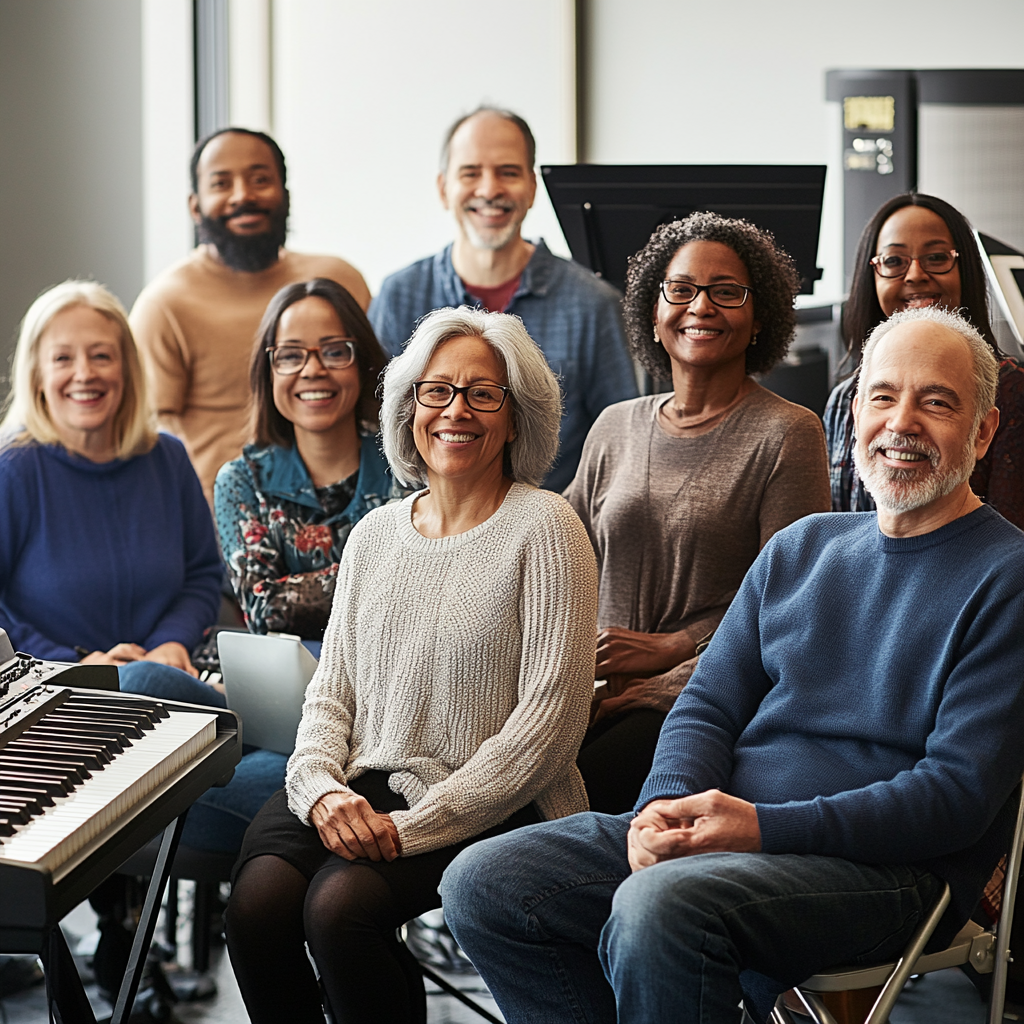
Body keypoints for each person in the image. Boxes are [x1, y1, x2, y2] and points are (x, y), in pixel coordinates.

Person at [440, 305, 1024, 1024]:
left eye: (936, 401)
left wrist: (757, 827)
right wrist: (665, 808)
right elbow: (706, 706)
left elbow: (956, 797)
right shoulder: (802, 549)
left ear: (984, 431)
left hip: (890, 876)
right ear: (854, 414)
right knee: (486, 880)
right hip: (730, 842)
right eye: (883, 395)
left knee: (658, 907)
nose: (901, 422)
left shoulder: (1008, 578)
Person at [225, 306, 599, 1024]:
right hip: (361, 782)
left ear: (515, 419)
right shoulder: (374, 535)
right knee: (258, 903)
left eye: (482, 393)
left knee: (339, 912)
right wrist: (318, 789)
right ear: (408, 408)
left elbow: (550, 728)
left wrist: (414, 827)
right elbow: (331, 692)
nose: (456, 411)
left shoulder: (547, 527)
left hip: (491, 797)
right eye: (437, 391)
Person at [570, 212, 831, 813]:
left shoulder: (788, 433)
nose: (701, 306)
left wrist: (675, 650)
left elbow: (793, 605)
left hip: (695, 698)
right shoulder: (615, 425)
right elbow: (558, 557)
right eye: (681, 289)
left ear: (759, 314)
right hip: (591, 694)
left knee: (566, 801)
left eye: (727, 292)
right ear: (652, 311)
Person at [369, 106, 637, 491]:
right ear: (444, 188)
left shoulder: (594, 305)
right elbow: (376, 432)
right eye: (471, 172)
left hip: (554, 527)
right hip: (427, 526)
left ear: (531, 187)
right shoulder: (399, 296)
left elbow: (621, 444)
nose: (489, 189)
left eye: (507, 172)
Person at [0, 280, 223, 706]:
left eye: (101, 355)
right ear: (37, 375)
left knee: (273, 769)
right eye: (63, 358)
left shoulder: (168, 457)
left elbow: (201, 576)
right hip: (56, 695)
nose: (85, 373)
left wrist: (170, 643)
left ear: (127, 368)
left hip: (173, 682)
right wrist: (75, 665)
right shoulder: (12, 468)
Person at [130, 128, 371, 501]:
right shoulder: (165, 305)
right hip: (220, 522)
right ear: (195, 206)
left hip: (350, 509)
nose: (243, 195)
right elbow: (147, 436)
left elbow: (376, 399)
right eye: (221, 183)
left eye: (260, 180)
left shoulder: (338, 281)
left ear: (285, 196)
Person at [215, 277, 402, 644]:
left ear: (362, 361)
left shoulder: (408, 464)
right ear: (268, 371)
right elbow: (264, 608)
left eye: (334, 351)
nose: (313, 370)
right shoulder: (241, 481)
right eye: (290, 355)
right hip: (291, 681)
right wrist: (385, 573)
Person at [824, 192, 1024, 528]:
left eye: (935, 257)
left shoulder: (1013, 392)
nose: (915, 275)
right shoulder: (845, 399)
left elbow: (1010, 543)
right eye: (893, 261)